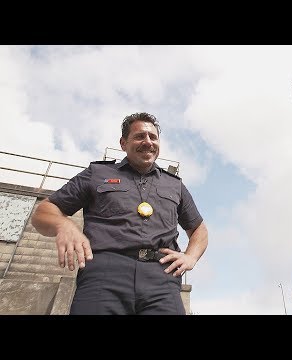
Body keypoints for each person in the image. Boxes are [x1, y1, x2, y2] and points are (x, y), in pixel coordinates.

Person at [31, 112, 208, 315]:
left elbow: (199, 229)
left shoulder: (175, 185)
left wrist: (190, 257)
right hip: (104, 275)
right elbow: (44, 211)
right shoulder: (97, 174)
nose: (148, 142)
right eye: (140, 136)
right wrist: (64, 225)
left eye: (153, 137)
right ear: (123, 143)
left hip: (162, 279)